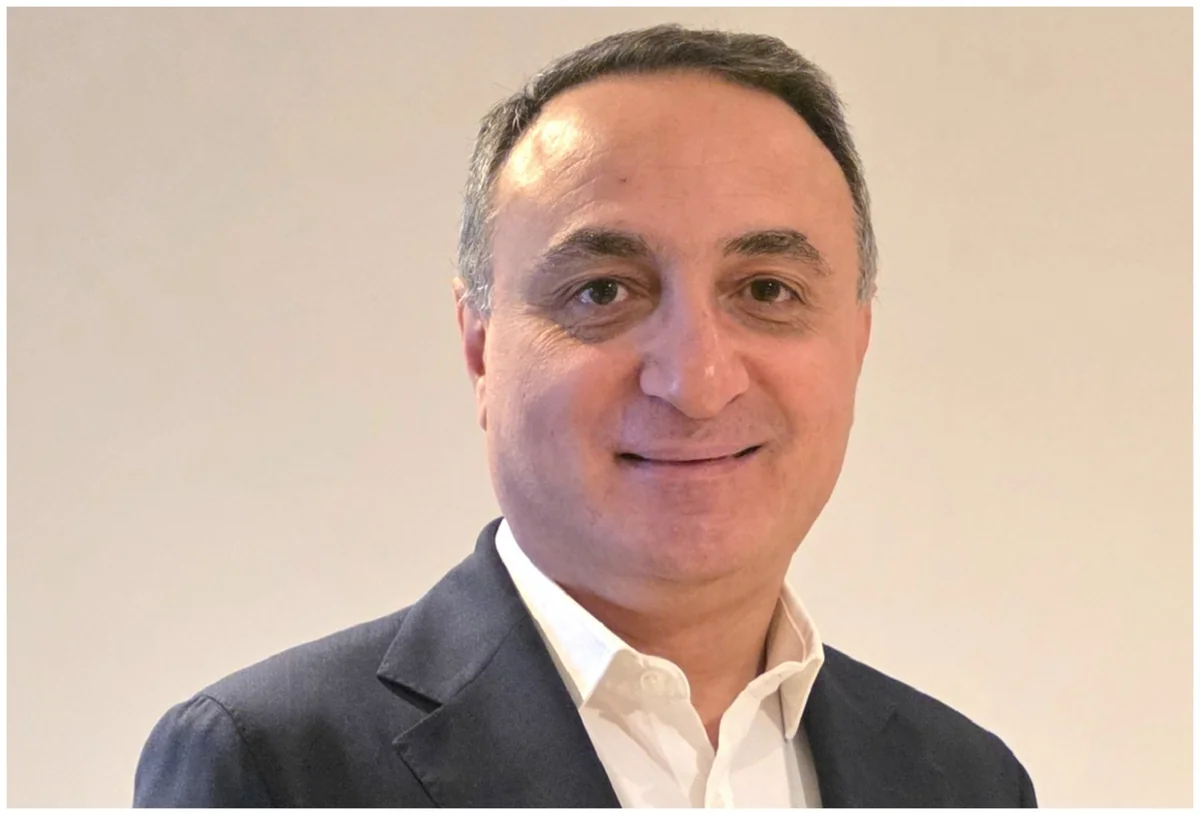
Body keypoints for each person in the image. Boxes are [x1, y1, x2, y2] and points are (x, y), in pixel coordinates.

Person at [134, 24, 1037, 807]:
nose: (696, 380)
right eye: (603, 290)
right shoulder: (272, 768)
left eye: (767, 290)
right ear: (480, 346)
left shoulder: (967, 782)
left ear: (857, 342)